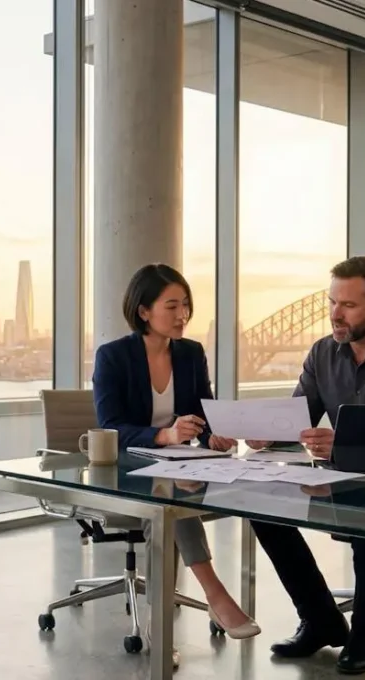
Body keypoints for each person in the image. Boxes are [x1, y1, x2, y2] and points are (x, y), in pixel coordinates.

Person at [244, 256, 365, 675]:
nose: (336, 313)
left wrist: (345, 442)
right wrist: (267, 433)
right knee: (261, 508)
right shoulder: (322, 353)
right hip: (341, 477)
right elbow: (298, 418)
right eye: (332, 302)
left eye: (348, 305)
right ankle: (319, 619)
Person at [93, 263, 261, 651]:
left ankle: (160, 623)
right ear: (143, 311)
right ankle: (215, 594)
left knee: (174, 499)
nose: (182, 314)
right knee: (167, 505)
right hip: (128, 468)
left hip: (179, 465)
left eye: (185, 304)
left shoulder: (190, 353)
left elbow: (204, 409)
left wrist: (214, 432)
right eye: (171, 306)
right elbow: (111, 424)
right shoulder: (113, 357)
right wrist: (164, 434)